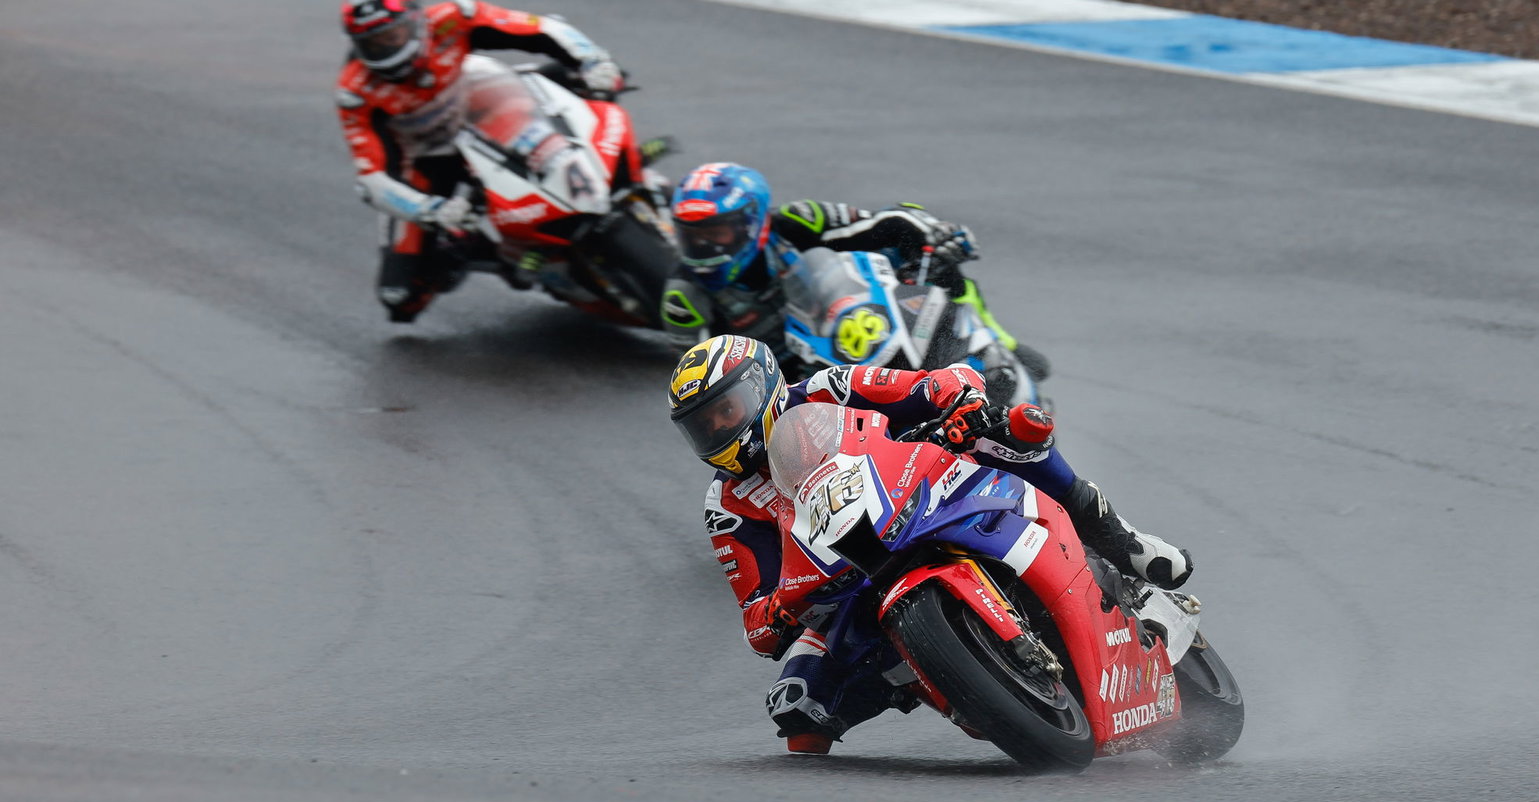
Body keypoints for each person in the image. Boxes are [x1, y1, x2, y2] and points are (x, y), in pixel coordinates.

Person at [668, 335, 1193, 754]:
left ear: (762, 386)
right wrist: (777, 611)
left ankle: (1123, 542)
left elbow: (940, 381)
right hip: (849, 582)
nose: (718, 430)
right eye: (703, 426)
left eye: (726, 411)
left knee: (1011, 431)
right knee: (798, 709)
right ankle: (948, 678)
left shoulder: (829, 386)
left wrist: (960, 402)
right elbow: (754, 616)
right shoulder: (727, 506)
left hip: (922, 491)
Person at [337, 0, 630, 323]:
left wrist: (593, 60)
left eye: (394, 35)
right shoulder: (356, 92)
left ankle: (632, 173)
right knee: (401, 297)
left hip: (482, 103)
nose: (387, 47)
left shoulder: (453, 18)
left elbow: (543, 28)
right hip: (429, 155)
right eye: (374, 42)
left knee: (595, 79)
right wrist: (428, 209)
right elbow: (372, 179)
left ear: (416, 21)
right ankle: (489, 253)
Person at [660, 163, 1021, 366]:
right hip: (794, 388)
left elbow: (887, 222)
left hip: (855, 326)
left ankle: (993, 340)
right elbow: (700, 381)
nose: (703, 245)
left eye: (716, 233)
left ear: (751, 223)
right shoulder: (684, 298)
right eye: (692, 236)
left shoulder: (798, 220)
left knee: (936, 260)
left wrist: (935, 233)